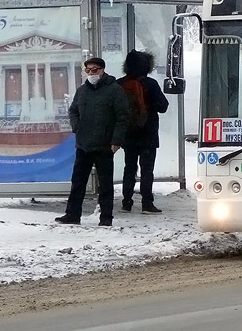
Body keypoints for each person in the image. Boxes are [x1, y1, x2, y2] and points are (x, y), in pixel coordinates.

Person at [54, 57, 130, 227]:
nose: (91, 73)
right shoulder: (82, 91)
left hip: (104, 145)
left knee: (105, 184)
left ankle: (106, 218)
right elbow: (73, 111)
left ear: (103, 70)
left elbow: (122, 117)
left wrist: (116, 140)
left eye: (94, 70)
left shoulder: (114, 90)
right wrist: (77, 128)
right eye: (88, 70)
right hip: (83, 144)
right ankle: (72, 214)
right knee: (78, 182)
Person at [119, 49, 170, 214]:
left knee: (129, 167)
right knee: (147, 169)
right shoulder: (151, 84)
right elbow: (163, 107)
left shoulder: (120, 84)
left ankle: (126, 201)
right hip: (148, 134)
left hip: (128, 134)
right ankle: (147, 203)